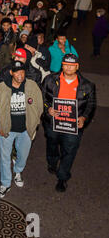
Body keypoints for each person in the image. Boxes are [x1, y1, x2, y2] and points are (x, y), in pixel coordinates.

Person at [42, 54, 96, 192]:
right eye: (66, 64)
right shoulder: (50, 80)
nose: (68, 67)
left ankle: (62, 177)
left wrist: (84, 118)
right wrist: (48, 110)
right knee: (52, 145)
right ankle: (52, 162)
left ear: (77, 66)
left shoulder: (87, 85)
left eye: (72, 65)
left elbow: (91, 105)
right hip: (53, 123)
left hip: (73, 127)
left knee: (69, 151)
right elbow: (41, 99)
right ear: (62, 65)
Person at [0, 60, 44, 198]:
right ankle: (5, 183)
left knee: (22, 155)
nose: (20, 75)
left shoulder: (32, 86)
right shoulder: (2, 88)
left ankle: (18, 171)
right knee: (4, 158)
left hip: (25, 130)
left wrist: (34, 124)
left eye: (22, 72)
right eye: (17, 72)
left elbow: (39, 106)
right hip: (6, 130)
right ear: (11, 73)